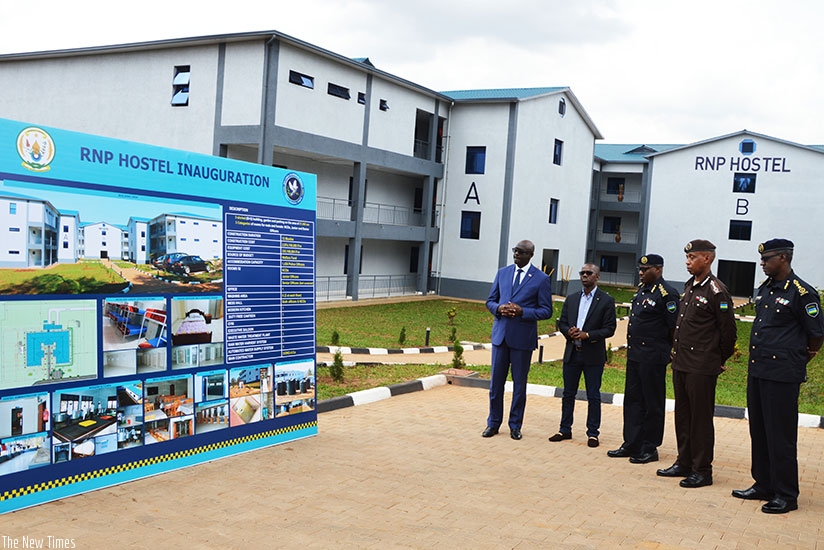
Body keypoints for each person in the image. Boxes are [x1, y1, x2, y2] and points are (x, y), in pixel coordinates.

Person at [732, 239, 824, 514]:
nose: (762, 264)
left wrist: (794, 358)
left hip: (783, 375)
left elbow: (816, 335)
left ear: (783, 258)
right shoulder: (766, 289)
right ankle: (763, 484)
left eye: (766, 259)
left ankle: (786, 494)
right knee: (759, 431)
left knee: (780, 435)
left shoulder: (801, 293)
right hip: (759, 370)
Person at [657, 239, 736, 488]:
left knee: (700, 419)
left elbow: (728, 333)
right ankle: (684, 461)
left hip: (701, 365)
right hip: (681, 362)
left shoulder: (716, 291)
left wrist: (716, 359)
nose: (687, 262)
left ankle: (702, 469)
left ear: (708, 259)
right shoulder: (691, 286)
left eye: (692, 258)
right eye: (687, 258)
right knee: (683, 415)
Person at [608, 254, 678, 464]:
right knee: (633, 401)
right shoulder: (642, 290)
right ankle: (631, 442)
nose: (640, 272)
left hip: (653, 357)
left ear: (658, 269)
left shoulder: (667, 294)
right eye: (639, 269)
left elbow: (672, 327)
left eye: (645, 270)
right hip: (636, 355)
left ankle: (649, 447)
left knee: (652, 402)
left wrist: (666, 351)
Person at [483, 240, 553, 440]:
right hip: (500, 337)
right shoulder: (502, 273)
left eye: (521, 252)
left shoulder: (540, 279)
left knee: (519, 385)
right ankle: (493, 423)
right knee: (496, 384)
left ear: (530, 255)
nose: (516, 254)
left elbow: (546, 310)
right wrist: (498, 309)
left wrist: (523, 311)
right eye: (515, 251)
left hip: (522, 339)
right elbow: (490, 300)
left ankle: (515, 425)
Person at [549, 263, 616, 448]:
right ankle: (565, 429)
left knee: (593, 395)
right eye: (582, 273)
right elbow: (562, 323)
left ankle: (593, 433)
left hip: (593, 355)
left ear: (597, 277)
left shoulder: (606, 300)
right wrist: (568, 332)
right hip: (572, 353)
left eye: (589, 273)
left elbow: (610, 329)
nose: (584, 275)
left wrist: (588, 335)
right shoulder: (571, 299)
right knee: (568, 393)